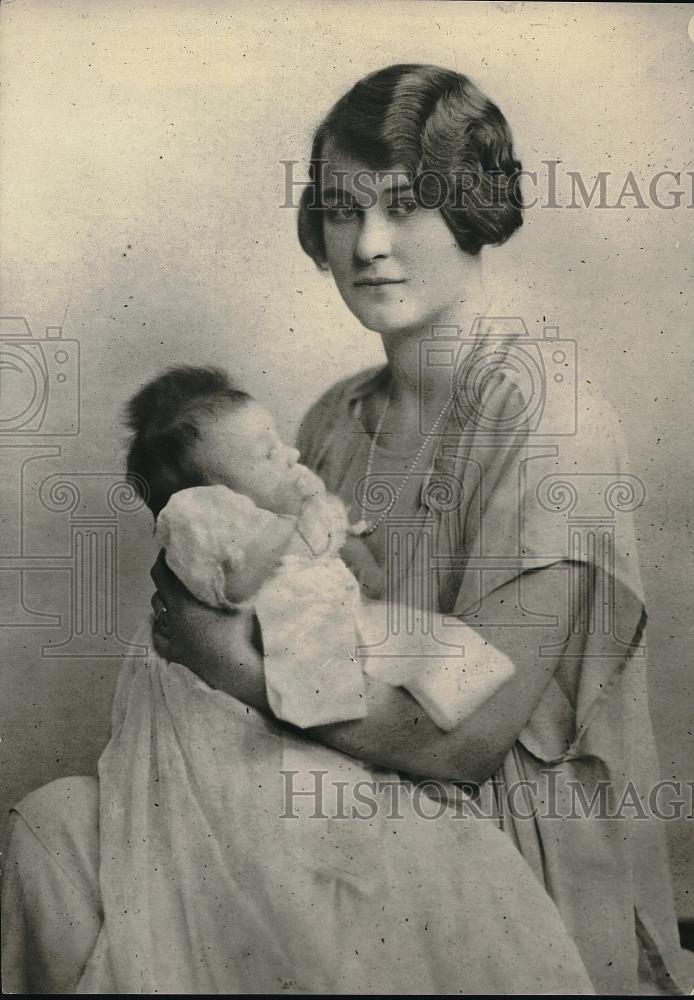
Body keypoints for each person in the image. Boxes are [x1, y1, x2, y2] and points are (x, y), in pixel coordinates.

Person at [1, 63, 691, 995]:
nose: (367, 243)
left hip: (496, 853)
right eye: (338, 208)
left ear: (472, 205)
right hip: (331, 810)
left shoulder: (552, 422)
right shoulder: (333, 420)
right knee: (50, 829)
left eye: (404, 204)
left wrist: (229, 666)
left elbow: (467, 741)